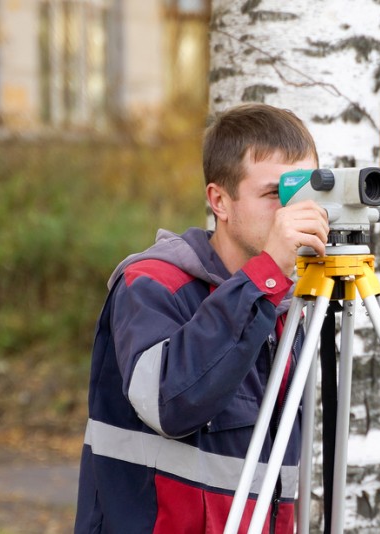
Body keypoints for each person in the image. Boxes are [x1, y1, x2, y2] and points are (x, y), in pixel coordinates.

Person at [74, 103, 329, 533]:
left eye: (306, 193)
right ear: (219, 201)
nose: (292, 213)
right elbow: (170, 403)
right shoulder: (151, 284)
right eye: (275, 195)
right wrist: (266, 275)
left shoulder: (284, 304)